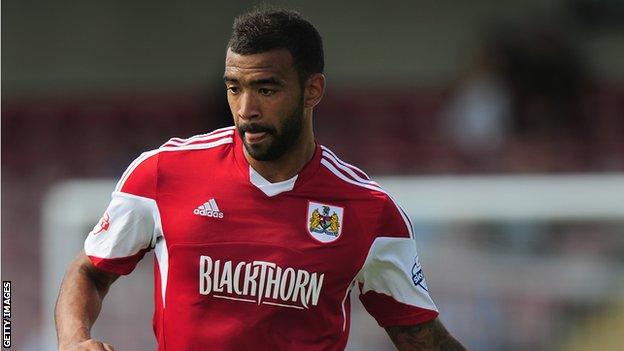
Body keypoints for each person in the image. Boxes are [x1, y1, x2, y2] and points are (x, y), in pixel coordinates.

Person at [55, 9, 467, 351]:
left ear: (313, 90)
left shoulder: (369, 212)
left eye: (267, 90)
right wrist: (75, 341)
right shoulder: (164, 172)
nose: (245, 109)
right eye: (235, 88)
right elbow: (90, 272)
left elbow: (418, 335)